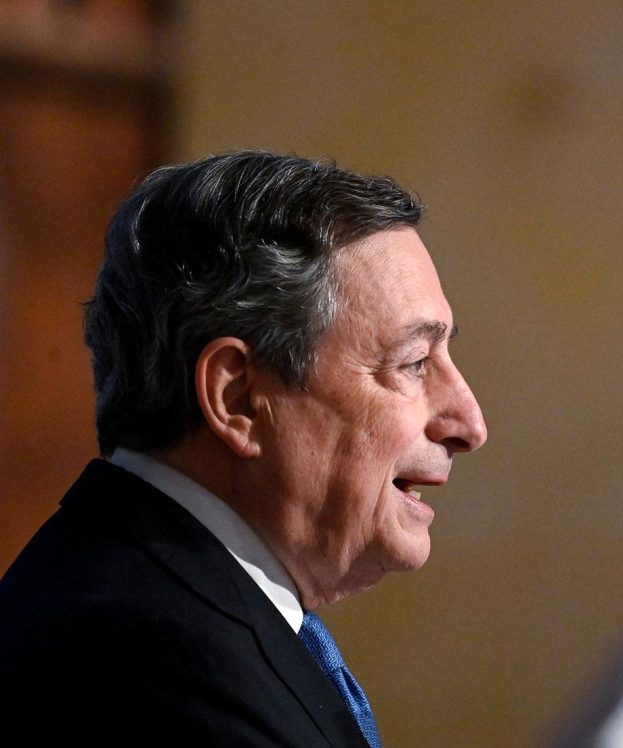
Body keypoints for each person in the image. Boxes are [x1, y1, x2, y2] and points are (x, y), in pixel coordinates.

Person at [0, 151, 487, 745]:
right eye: (413, 363)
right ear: (238, 398)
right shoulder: (152, 672)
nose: (469, 423)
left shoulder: (157, 610)